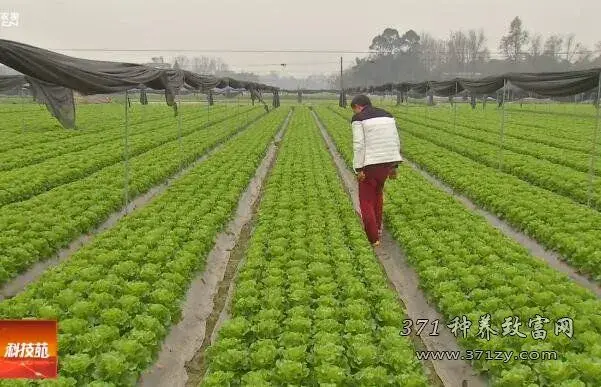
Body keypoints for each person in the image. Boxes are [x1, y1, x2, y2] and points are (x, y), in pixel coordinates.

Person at [350, 95, 403, 248]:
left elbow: (359, 144)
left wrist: (359, 168)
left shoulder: (358, 118)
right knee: (378, 195)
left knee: (366, 200)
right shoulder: (388, 115)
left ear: (358, 106)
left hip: (370, 164)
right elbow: (395, 139)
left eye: (354, 109)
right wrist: (394, 166)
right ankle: (378, 230)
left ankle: (373, 239)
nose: (354, 112)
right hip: (386, 163)